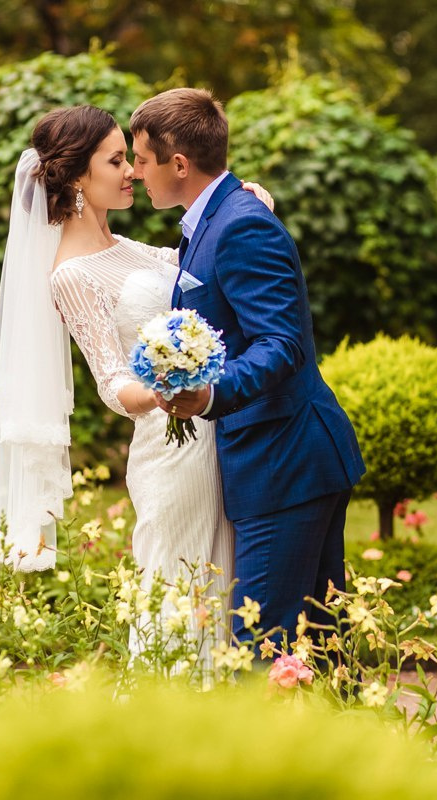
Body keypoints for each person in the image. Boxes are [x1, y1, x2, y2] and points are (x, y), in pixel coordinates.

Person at [0, 105, 273, 657]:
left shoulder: (130, 250)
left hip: (217, 433)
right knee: (182, 595)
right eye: (117, 160)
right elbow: (114, 384)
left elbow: (205, 266)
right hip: (173, 450)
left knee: (227, 591)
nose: (132, 173)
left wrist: (246, 205)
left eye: (130, 159)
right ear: (75, 176)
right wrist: (171, 391)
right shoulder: (71, 274)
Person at [131, 88, 365, 651]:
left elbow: (281, 343)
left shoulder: (240, 225)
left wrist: (210, 394)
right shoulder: (216, 217)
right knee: (315, 645)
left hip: (284, 459)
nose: (137, 174)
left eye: (141, 160)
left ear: (179, 164)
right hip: (281, 459)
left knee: (263, 644)